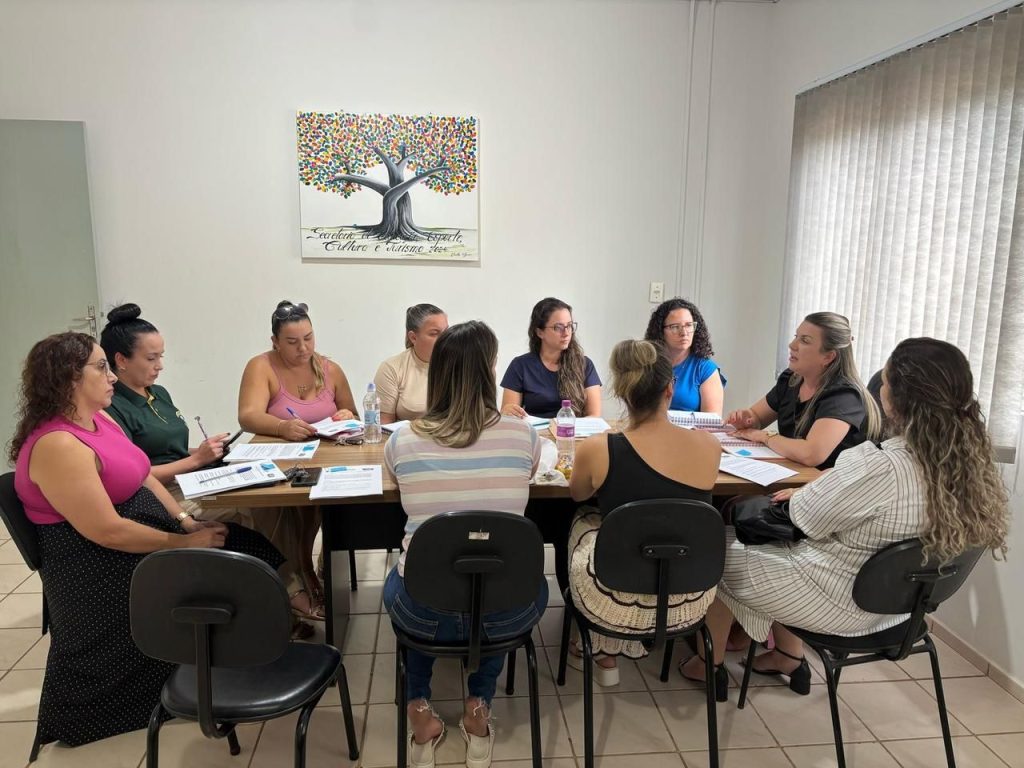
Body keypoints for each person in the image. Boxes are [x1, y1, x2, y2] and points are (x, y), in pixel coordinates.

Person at [680, 337, 1010, 696]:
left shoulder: (880, 465)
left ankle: (708, 664)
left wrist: (808, 493)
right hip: (901, 611)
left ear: (896, 400)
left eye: (885, 381)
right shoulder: (971, 470)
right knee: (784, 545)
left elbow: (802, 518)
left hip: (840, 604)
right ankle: (787, 656)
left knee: (717, 545)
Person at [9, 332, 283, 748]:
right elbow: (107, 530)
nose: (111, 377)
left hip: (137, 543)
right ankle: (219, 668)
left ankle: (232, 657)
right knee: (235, 563)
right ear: (68, 378)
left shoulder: (100, 419)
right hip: (99, 567)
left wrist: (185, 522)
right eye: (101, 367)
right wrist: (183, 545)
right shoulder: (58, 444)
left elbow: (141, 476)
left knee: (246, 546)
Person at [383, 321, 547, 768]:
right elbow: (530, 473)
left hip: (424, 615)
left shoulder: (402, 439)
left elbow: (394, 483)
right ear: (489, 371)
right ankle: (478, 708)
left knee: (417, 576)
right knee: (499, 579)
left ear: (438, 372)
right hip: (507, 615)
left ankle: (419, 708)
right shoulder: (524, 435)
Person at [565, 340, 721, 687]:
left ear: (621, 392)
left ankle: (598, 647)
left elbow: (578, 494)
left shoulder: (599, 447)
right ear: (670, 388)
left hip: (612, 597)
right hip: (691, 596)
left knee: (583, 520)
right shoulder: (709, 446)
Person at [237, 300, 359, 628]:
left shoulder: (329, 368)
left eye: (308, 338)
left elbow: (352, 412)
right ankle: (295, 577)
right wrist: (282, 427)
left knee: (323, 505)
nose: (303, 348)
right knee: (280, 508)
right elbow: (248, 415)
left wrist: (345, 415)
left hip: (323, 457)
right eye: (292, 342)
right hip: (278, 459)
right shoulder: (261, 366)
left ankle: (313, 566)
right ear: (275, 341)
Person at [100, 303, 248, 524]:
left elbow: (166, 449)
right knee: (248, 510)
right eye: (151, 358)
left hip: (190, 480)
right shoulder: (111, 406)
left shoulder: (158, 393)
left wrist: (206, 452)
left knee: (275, 501)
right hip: (160, 493)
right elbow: (134, 475)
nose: (160, 366)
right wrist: (197, 459)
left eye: (161, 357)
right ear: (121, 360)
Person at [725, 311, 881, 470]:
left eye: (805, 340)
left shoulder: (844, 396)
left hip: (829, 483)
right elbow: (757, 417)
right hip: (794, 475)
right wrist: (745, 419)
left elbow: (811, 454)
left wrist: (765, 436)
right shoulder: (791, 379)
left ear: (828, 357)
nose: (792, 345)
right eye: (796, 336)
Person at [500, 297, 602, 419]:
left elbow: (594, 416)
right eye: (558, 327)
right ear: (539, 332)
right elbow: (510, 416)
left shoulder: (585, 365)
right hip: (534, 430)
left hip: (573, 430)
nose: (566, 333)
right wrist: (507, 411)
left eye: (569, 326)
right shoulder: (520, 366)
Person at [644, 297, 726, 414]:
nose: (684, 333)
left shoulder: (706, 369)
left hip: (692, 427)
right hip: (652, 425)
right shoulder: (647, 364)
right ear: (660, 331)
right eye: (675, 327)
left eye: (688, 325)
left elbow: (710, 422)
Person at [374, 303, 448, 424]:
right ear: (413, 337)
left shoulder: (458, 364)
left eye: (446, 332)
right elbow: (384, 424)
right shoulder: (392, 368)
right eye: (434, 333)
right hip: (408, 435)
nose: (444, 339)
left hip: (451, 435)